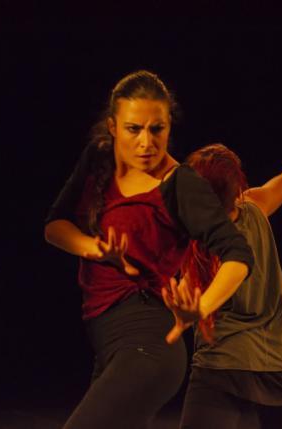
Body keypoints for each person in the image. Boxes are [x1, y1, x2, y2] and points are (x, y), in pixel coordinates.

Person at [44, 70, 254, 429]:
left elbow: (239, 254)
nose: (146, 142)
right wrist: (94, 248)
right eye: (133, 129)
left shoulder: (181, 184)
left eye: (157, 129)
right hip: (108, 344)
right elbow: (54, 226)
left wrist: (200, 308)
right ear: (112, 127)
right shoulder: (98, 159)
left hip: (149, 342)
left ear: (168, 126)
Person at [162, 96, 282, 429]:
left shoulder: (198, 233)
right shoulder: (255, 206)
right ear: (237, 189)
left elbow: (189, 289)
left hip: (226, 362)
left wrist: (183, 311)